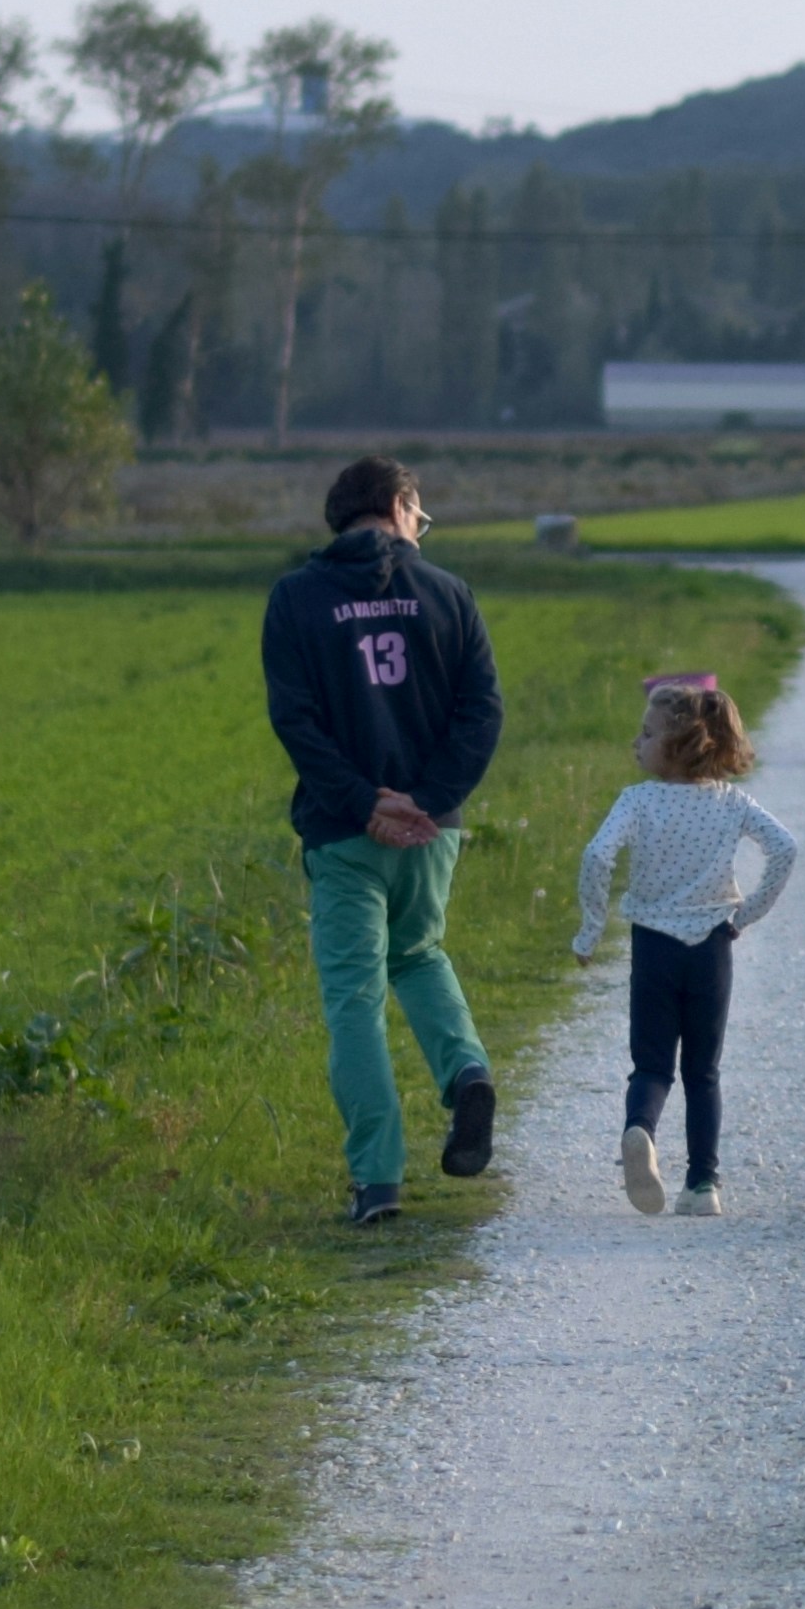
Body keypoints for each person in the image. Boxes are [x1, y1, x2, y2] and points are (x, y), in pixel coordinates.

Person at [261, 454, 502, 1227]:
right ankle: (466, 1075)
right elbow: (482, 713)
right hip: (433, 834)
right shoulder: (450, 593)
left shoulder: (296, 599)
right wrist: (427, 801)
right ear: (398, 506)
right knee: (421, 954)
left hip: (343, 832)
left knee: (355, 1000)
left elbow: (297, 721)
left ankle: (377, 1180)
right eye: (419, 515)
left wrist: (367, 803)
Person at [571, 670, 798, 1219]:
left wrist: (590, 928)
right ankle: (703, 1185)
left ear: (678, 747)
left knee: (651, 1065)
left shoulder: (637, 801)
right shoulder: (732, 803)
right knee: (704, 1071)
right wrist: (747, 913)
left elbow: (597, 857)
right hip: (711, 948)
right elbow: (785, 848)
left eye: (647, 735)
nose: (637, 743)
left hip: (653, 946)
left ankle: (640, 1131)